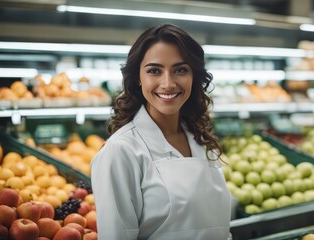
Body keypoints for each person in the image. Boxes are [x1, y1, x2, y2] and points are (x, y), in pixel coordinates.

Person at [91, 23, 231, 240]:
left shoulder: (201, 139)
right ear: (138, 77)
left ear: (194, 76)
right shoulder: (121, 151)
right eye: (154, 71)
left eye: (180, 70)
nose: (168, 83)